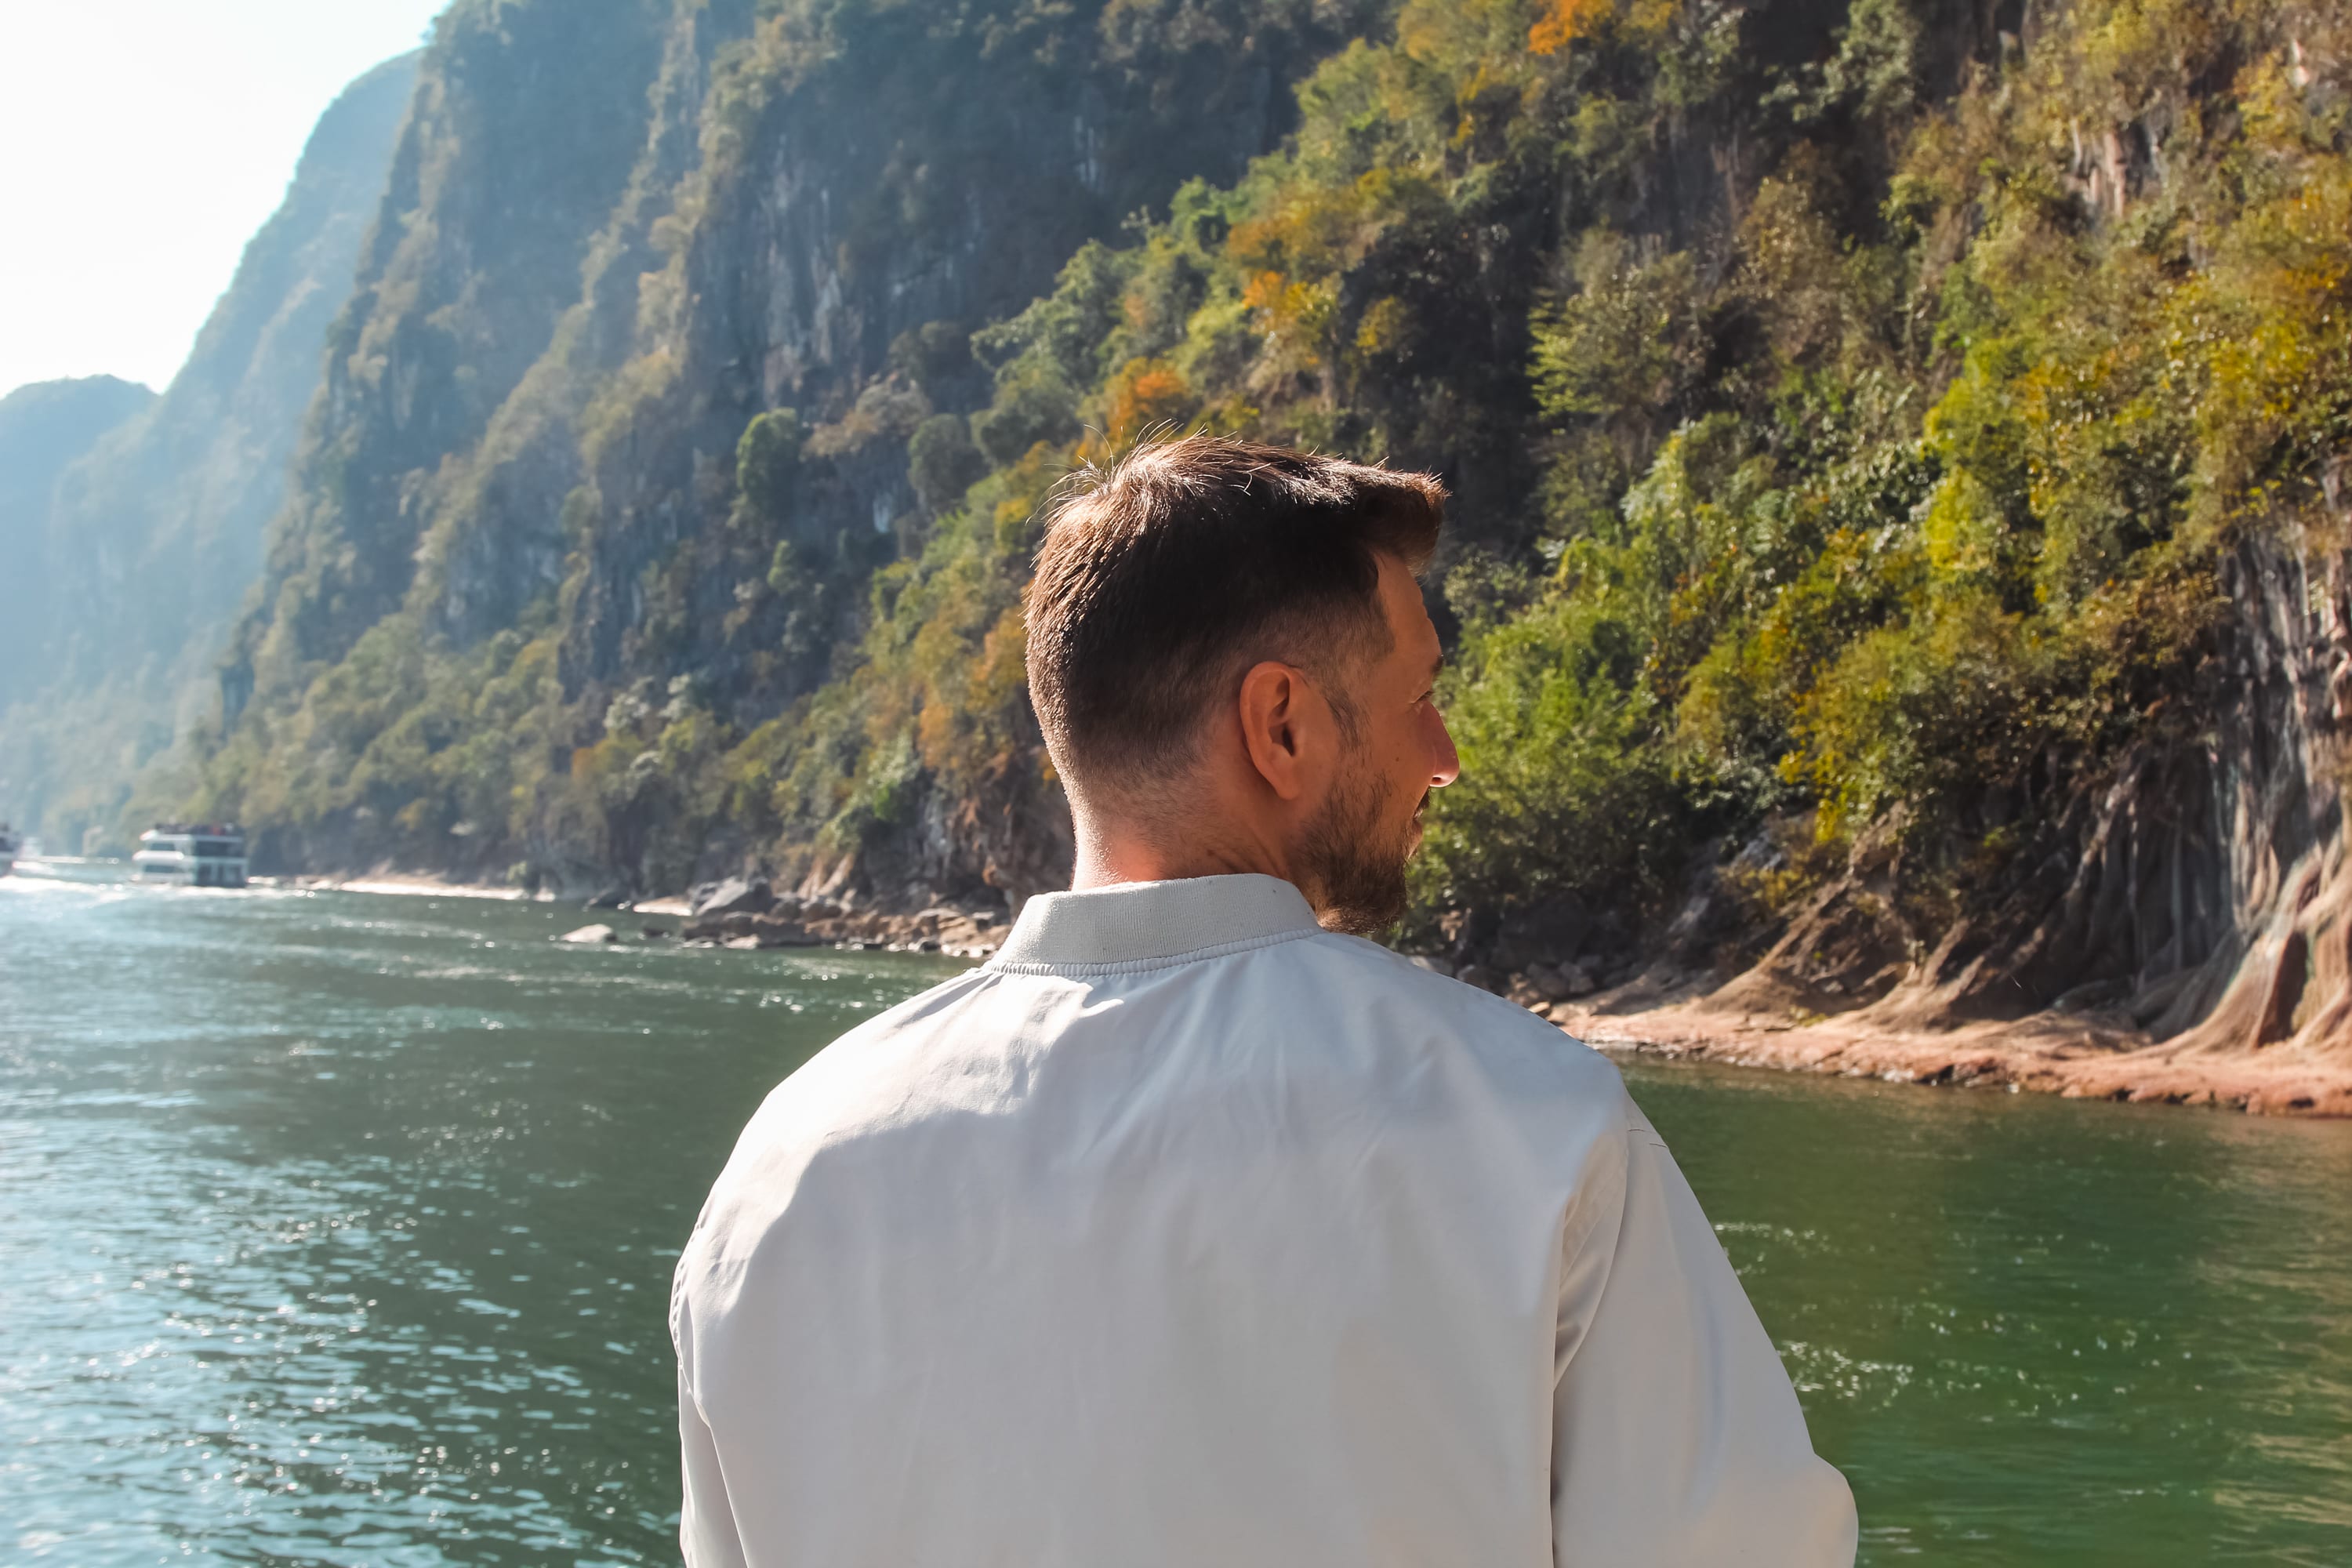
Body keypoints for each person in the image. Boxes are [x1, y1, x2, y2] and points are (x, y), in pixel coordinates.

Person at [670, 435, 1858, 1566]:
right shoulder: (1535, 1129)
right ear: (1280, 725)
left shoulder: (782, 1174)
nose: (1444, 755)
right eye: (1418, 697)